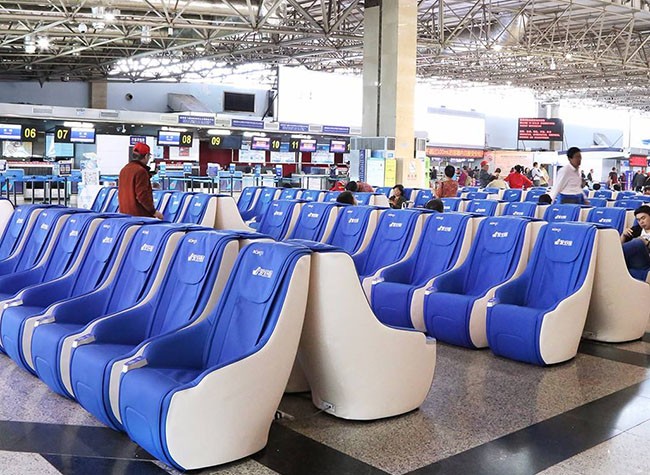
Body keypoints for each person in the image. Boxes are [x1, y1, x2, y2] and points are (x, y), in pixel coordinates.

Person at [118, 142, 163, 219]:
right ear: (146, 156)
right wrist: (154, 212)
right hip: (140, 217)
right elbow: (142, 196)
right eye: (149, 156)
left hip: (125, 215)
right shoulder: (141, 171)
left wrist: (149, 175)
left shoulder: (124, 170)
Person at [621, 205, 650, 280]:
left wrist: (646, 243)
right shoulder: (636, 230)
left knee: (637, 243)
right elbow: (620, 248)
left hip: (647, 260)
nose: (641, 222)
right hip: (633, 261)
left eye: (643, 218)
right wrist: (623, 236)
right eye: (638, 220)